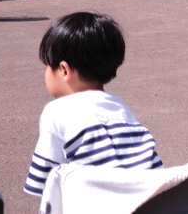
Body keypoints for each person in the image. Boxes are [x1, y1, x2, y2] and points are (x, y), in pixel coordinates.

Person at [25, 12, 163, 197]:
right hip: (149, 200)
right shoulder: (120, 109)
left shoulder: (56, 112)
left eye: (47, 67)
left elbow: (44, 185)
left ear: (64, 70)